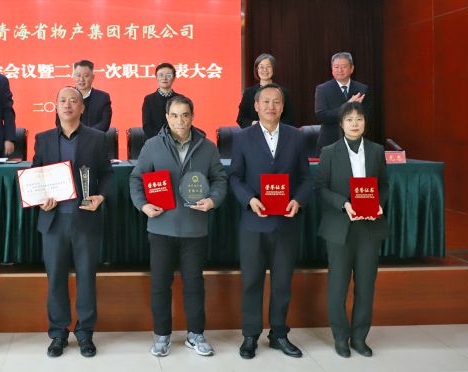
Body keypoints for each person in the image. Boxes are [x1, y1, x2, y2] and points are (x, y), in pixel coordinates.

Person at [130, 95, 227, 357]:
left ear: (192, 117)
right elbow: (136, 179)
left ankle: (195, 335)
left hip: (195, 227)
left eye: (185, 115)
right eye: (174, 115)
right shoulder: (152, 145)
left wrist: (213, 200)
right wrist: (143, 205)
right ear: (167, 117)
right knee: (160, 285)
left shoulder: (207, 147)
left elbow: (219, 180)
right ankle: (162, 335)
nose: (180, 121)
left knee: (194, 284)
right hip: (161, 226)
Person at [229, 83, 312, 360]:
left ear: (282, 106)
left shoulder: (296, 137)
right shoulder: (242, 138)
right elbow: (235, 176)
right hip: (253, 222)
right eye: (265, 101)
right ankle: (250, 335)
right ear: (256, 106)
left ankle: (279, 334)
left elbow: (306, 178)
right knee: (252, 281)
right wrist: (249, 199)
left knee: (282, 283)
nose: (271, 106)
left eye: (276, 101)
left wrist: (298, 201)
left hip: (285, 222)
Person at [33, 86, 113, 358]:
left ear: (82, 107)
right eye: (62, 101)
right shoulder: (43, 139)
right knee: (55, 278)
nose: (67, 105)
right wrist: (40, 198)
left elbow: (107, 174)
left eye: (73, 101)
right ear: (55, 107)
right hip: (53, 222)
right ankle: (58, 333)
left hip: (85, 219)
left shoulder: (97, 138)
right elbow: (35, 175)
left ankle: (85, 333)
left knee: (86, 279)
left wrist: (101, 196)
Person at [316, 102, 388, 359]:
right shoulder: (329, 152)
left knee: (366, 285)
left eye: (359, 119)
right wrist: (343, 204)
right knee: (338, 285)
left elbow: (384, 185)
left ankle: (359, 337)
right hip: (340, 227)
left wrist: (379, 204)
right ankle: (340, 336)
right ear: (341, 124)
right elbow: (321, 187)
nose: (355, 123)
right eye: (349, 119)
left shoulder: (377, 151)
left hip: (369, 226)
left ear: (365, 122)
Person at [315, 52, 370, 154]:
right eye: (336, 67)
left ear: (352, 68)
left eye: (344, 67)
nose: (340, 70)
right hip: (330, 142)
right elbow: (321, 116)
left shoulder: (362, 89)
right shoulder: (322, 89)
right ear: (332, 68)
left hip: (356, 141)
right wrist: (347, 105)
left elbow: (367, 116)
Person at [236, 53, 294, 127]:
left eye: (268, 67)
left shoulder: (283, 92)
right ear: (257, 69)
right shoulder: (248, 93)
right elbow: (241, 119)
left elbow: (289, 119)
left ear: (273, 69)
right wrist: (257, 125)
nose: (265, 70)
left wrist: (272, 126)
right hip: (255, 131)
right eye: (261, 67)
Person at [141, 62, 182, 139]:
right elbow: (147, 126)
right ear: (156, 77)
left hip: (177, 140)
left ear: (174, 77)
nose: (164, 78)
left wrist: (174, 138)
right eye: (161, 75)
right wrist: (160, 140)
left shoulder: (181, 99)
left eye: (168, 75)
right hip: (155, 141)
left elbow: (184, 123)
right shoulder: (149, 99)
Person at [73, 60, 112, 132]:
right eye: (78, 75)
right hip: (71, 138)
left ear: (92, 77)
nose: (81, 79)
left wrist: (88, 135)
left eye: (86, 76)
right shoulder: (66, 97)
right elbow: (60, 123)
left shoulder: (103, 98)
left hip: (96, 137)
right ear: (73, 77)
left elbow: (104, 124)